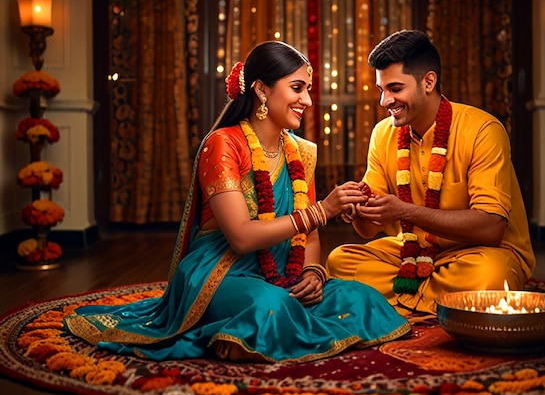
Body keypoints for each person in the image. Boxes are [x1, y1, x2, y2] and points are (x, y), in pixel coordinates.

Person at [64, 40, 410, 363]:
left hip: (281, 272)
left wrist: (313, 272)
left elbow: (310, 235)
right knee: (269, 306)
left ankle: (279, 327)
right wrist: (323, 210)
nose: (307, 100)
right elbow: (241, 237)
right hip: (221, 269)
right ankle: (240, 333)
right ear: (261, 89)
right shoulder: (223, 144)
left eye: (307, 90)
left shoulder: (301, 153)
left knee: (362, 298)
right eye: (297, 88)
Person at [326, 30, 536, 321]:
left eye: (395, 88)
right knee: (340, 262)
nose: (385, 101)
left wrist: (406, 211)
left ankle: (396, 304)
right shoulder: (383, 133)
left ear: (428, 82)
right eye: (381, 89)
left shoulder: (482, 130)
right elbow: (369, 230)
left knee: (489, 274)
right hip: (409, 251)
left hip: (476, 254)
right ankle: (442, 303)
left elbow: (491, 228)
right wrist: (355, 210)